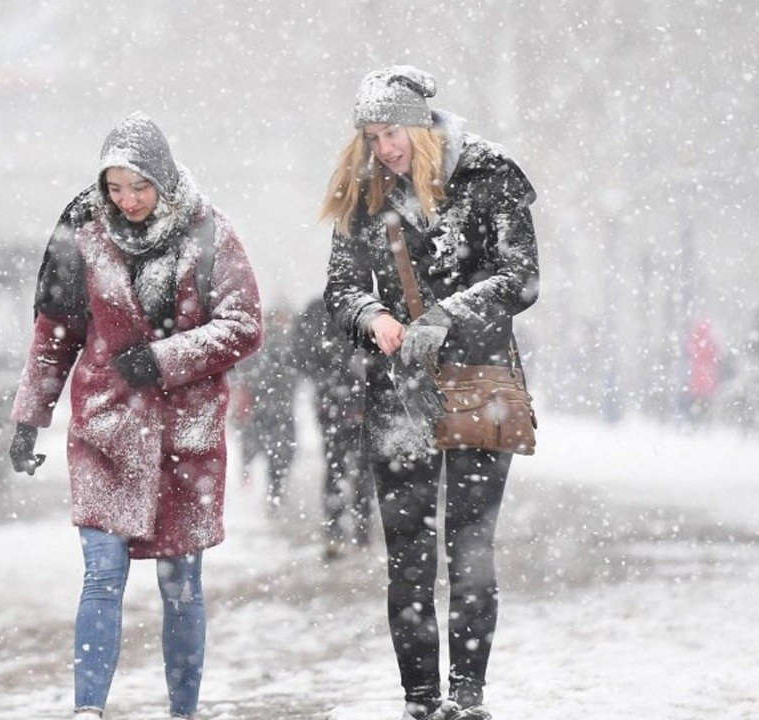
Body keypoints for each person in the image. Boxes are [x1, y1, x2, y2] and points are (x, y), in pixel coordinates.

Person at [8, 112, 263, 720]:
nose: (128, 201)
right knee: (101, 576)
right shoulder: (82, 234)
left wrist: (164, 359)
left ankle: (183, 711)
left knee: (181, 588)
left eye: (140, 187)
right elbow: (56, 333)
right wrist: (29, 416)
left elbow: (244, 325)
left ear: (165, 180)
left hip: (185, 441)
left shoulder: (209, 235)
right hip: (105, 430)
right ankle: (87, 711)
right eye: (116, 188)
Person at [321, 66, 539, 720]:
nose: (384, 147)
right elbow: (340, 289)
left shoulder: (489, 175)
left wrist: (443, 317)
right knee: (408, 557)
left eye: (392, 132)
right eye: (372, 135)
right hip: (402, 393)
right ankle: (420, 700)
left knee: (470, 545)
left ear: (420, 122)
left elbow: (520, 278)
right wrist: (374, 318)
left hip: (482, 381)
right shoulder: (364, 196)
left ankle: (467, 698)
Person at [294, 296, 376, 560]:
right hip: (350, 400)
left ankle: (339, 531)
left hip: (337, 402)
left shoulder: (320, 309)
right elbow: (301, 354)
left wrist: (326, 377)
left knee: (339, 464)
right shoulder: (370, 307)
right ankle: (355, 530)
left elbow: (300, 354)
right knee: (356, 465)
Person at [230, 304, 300, 509]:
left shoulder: (288, 343)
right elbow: (245, 371)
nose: (282, 322)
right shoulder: (266, 343)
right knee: (268, 451)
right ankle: (265, 490)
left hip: (275, 408)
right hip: (264, 408)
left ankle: (272, 491)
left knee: (277, 453)